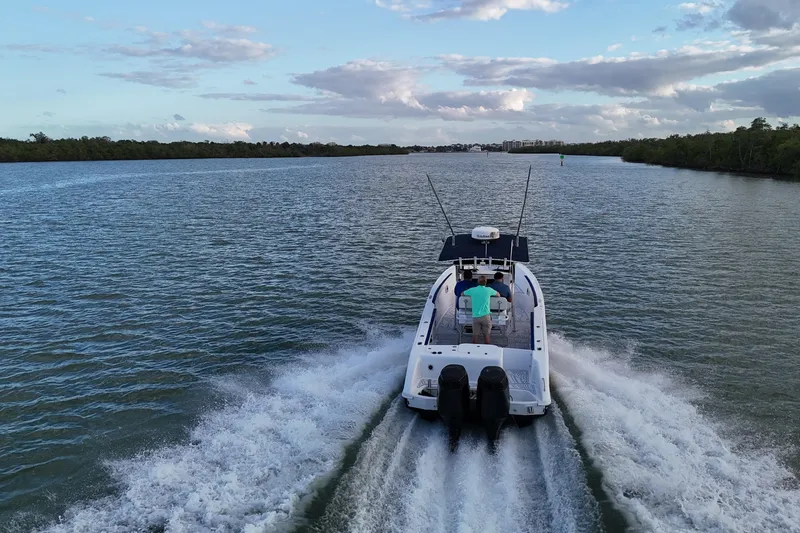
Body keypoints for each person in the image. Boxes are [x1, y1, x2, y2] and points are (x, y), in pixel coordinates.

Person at [463, 276, 499, 344]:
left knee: (475, 336)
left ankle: (475, 351)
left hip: (475, 316)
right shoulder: (489, 290)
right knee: (487, 336)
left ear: (478, 282)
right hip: (486, 316)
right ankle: (487, 350)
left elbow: (462, 293)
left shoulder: (472, 290)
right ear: (486, 282)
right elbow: (498, 295)